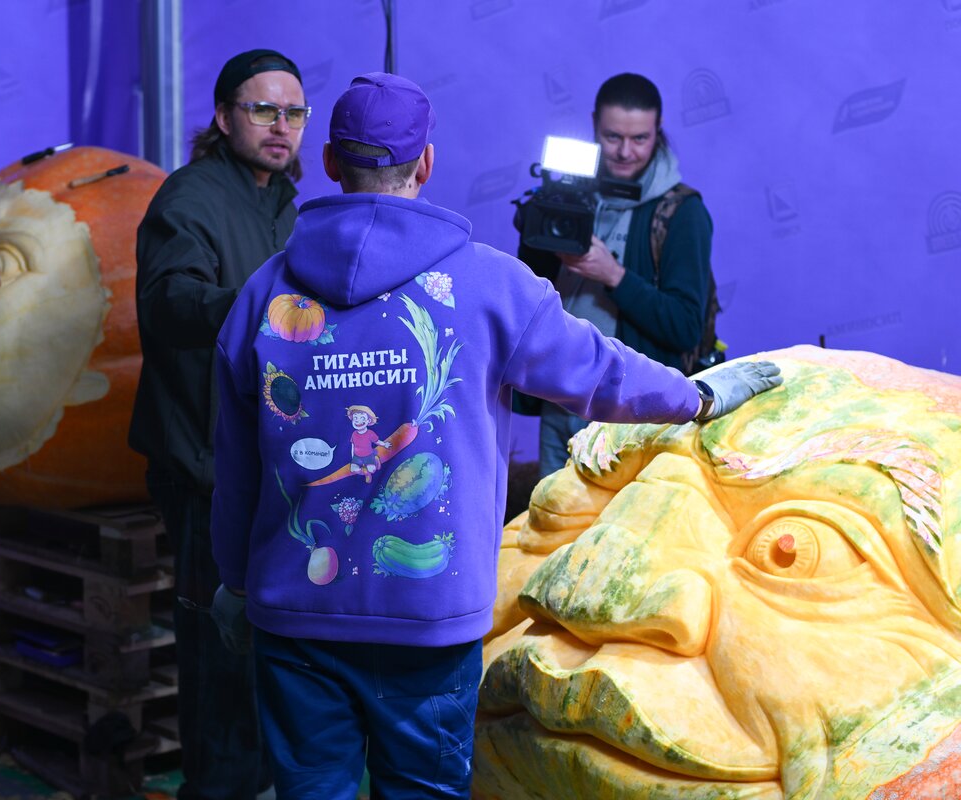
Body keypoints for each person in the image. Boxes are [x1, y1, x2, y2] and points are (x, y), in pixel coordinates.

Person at [208, 72, 781, 799]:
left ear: (327, 161)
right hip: (430, 618)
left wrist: (235, 579)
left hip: (295, 612)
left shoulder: (261, 296)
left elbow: (236, 465)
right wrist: (695, 395)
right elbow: (600, 372)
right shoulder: (488, 285)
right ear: (426, 163)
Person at [129, 48, 308, 800]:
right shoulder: (190, 197)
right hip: (204, 465)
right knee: (218, 651)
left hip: (266, 464)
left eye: (294, 113)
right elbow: (169, 303)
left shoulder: (284, 203)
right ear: (224, 116)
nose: (280, 126)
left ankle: (255, 784)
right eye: (263, 110)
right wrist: (265, 309)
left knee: (262, 646)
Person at [519, 72, 714, 477]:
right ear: (594, 125)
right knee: (551, 515)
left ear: (658, 130)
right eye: (612, 137)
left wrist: (615, 275)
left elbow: (684, 328)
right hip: (561, 399)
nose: (626, 152)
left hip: (634, 414)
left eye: (640, 138)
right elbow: (530, 299)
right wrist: (538, 227)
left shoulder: (681, 213)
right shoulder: (568, 193)